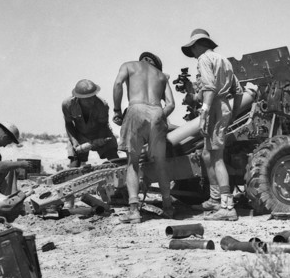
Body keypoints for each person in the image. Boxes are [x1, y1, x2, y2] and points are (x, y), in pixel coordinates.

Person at [181, 28, 243, 221]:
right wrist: (233, 113)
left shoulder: (204, 60)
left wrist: (204, 110)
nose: (192, 53)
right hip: (223, 105)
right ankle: (215, 199)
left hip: (214, 106)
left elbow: (209, 87)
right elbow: (239, 91)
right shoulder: (224, 61)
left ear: (199, 45)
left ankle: (227, 206)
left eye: (192, 48)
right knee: (208, 155)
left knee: (216, 158)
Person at [112, 51, 176, 223]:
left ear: (143, 60)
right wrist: (159, 116)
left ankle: (134, 210)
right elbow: (171, 104)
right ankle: (168, 207)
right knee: (160, 164)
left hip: (136, 109)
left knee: (132, 162)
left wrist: (117, 111)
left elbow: (118, 83)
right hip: (157, 111)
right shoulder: (162, 76)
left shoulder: (129, 65)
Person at [62, 79, 119, 167]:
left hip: (100, 133)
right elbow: (69, 124)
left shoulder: (102, 105)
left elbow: (103, 125)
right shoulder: (67, 105)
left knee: (114, 158)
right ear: (79, 98)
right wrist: (75, 143)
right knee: (74, 163)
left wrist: (98, 141)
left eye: (93, 96)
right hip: (79, 135)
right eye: (87, 99)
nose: (92, 100)